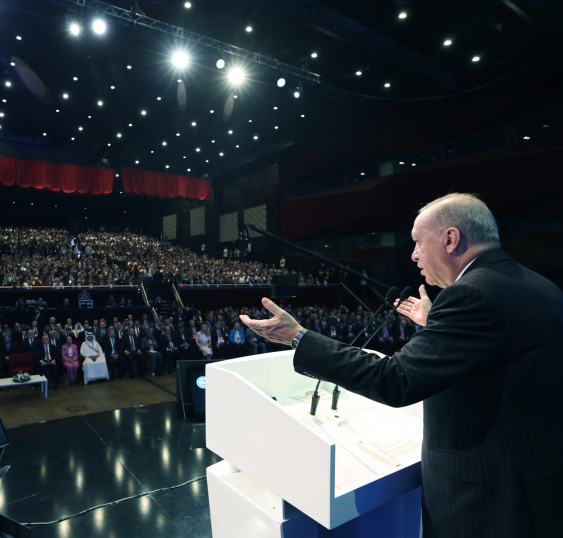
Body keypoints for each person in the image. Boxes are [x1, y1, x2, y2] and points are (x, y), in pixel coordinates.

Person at [241, 193, 563, 538]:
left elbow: (394, 380)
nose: (413, 255)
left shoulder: (471, 295)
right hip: (538, 480)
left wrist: (297, 337)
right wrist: (437, 325)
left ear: (450, 239)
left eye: (418, 242)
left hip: (492, 502)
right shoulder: (539, 285)